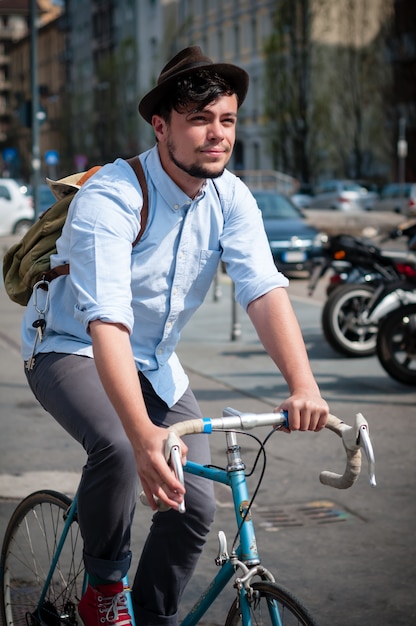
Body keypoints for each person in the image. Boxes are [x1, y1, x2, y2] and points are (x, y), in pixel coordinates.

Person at [21, 46, 328, 626]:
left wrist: (303, 383)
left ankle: (154, 617)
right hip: (70, 347)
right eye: (200, 120)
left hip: (156, 361)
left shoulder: (231, 196)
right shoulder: (111, 197)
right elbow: (106, 321)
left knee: (195, 505)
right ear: (161, 126)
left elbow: (262, 288)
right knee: (116, 442)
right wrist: (141, 436)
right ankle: (105, 589)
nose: (218, 135)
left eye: (227, 120)